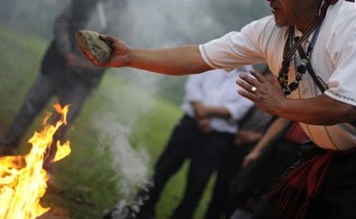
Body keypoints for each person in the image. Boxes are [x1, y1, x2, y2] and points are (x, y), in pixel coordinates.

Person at [91, 0, 356, 218]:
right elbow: (200, 55)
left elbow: (345, 106)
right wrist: (130, 56)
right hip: (320, 155)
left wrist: (280, 104)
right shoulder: (269, 32)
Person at [0, 0, 136, 167]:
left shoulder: (125, 19)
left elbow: (118, 53)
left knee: (61, 124)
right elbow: (61, 22)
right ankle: (5, 146)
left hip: (83, 79)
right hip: (57, 64)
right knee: (30, 106)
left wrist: (88, 65)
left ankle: (42, 167)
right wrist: (67, 52)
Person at [104, 67, 255, 219]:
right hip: (188, 126)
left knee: (197, 184)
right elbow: (193, 86)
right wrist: (200, 115)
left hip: (217, 138)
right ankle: (140, 211)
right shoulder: (213, 61)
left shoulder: (251, 78)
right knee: (162, 170)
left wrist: (205, 111)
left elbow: (239, 108)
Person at [204, 68, 276, 219]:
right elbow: (235, 113)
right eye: (268, 79)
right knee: (219, 190)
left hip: (253, 155)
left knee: (237, 196)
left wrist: (256, 137)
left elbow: (276, 132)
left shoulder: (278, 107)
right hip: (233, 146)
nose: (271, 83)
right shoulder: (248, 96)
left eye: (275, 81)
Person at [228, 117, 308, 219]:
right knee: (253, 196)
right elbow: (283, 120)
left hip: (302, 159)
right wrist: (257, 151)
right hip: (278, 153)